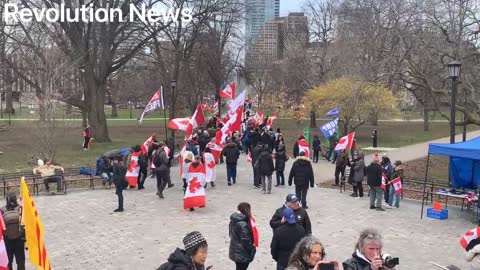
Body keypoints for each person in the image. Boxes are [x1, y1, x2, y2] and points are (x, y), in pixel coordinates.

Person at [1, 192, 25, 270]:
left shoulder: (2, 210)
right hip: (19, 238)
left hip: (7, 240)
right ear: (16, 199)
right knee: (20, 261)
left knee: (8, 261)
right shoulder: (21, 209)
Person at [229, 202, 256, 270]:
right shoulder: (243, 224)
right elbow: (246, 240)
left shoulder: (233, 220)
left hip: (235, 249)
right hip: (242, 253)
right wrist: (252, 249)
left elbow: (230, 233)